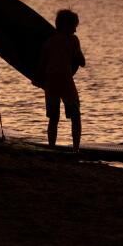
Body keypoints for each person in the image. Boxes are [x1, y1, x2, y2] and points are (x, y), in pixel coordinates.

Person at [37, 9, 86, 151]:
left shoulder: (49, 41)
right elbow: (82, 62)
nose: (75, 30)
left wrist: (37, 79)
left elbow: (42, 63)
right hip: (65, 82)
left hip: (50, 82)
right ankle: (76, 149)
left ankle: (51, 147)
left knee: (53, 118)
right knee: (75, 117)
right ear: (66, 26)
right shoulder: (73, 40)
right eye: (74, 27)